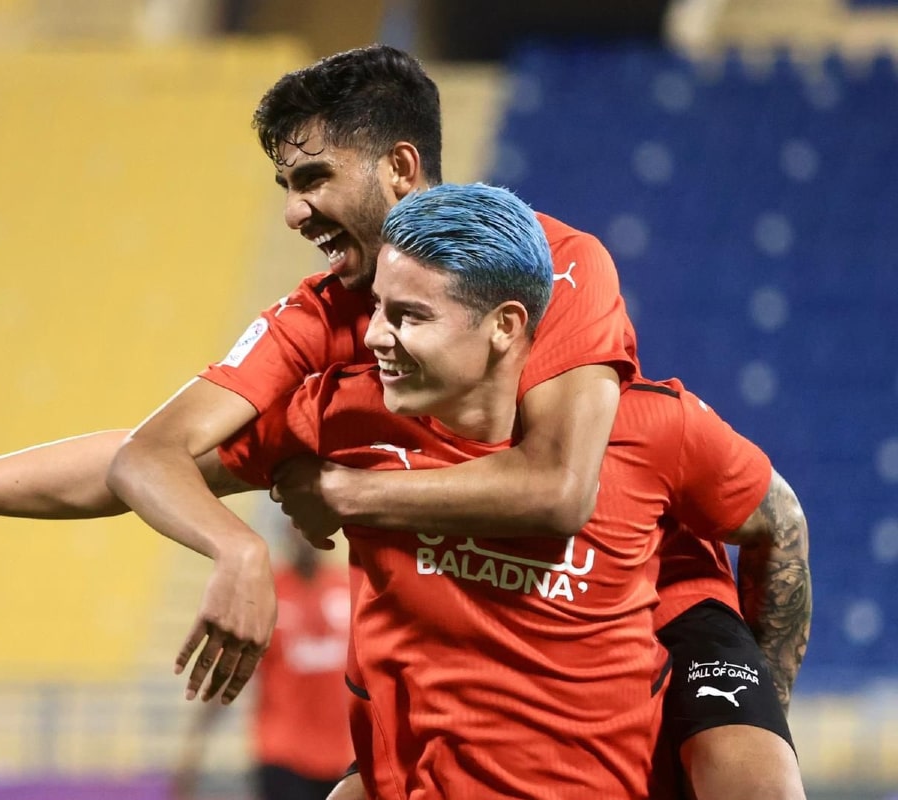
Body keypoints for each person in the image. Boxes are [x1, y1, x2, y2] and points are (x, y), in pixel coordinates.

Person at [0, 44, 809, 798]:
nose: (292, 214)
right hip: (473, 708)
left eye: (313, 177)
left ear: (402, 171)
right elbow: (144, 454)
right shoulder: (326, 338)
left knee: (747, 769)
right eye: (283, 184)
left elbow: (559, 490)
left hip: (659, 607)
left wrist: (344, 493)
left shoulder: (557, 268)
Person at [195, 182, 792, 798]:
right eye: (377, 308)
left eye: (408, 315)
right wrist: (228, 539)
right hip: (417, 752)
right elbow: (143, 461)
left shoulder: (646, 423)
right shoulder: (347, 416)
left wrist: (762, 705)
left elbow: (779, 522)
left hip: (675, 624)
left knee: (754, 775)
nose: (374, 336)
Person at [173, 515, 354, 800]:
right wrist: (192, 752)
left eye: (307, 529)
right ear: (285, 537)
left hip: (341, 758)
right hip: (282, 753)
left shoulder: (346, 589)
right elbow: (228, 672)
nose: (303, 539)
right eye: (295, 530)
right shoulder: (269, 593)